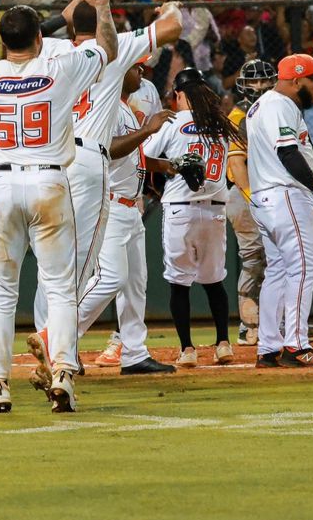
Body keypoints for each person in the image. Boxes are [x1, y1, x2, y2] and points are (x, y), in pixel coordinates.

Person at [0, 0, 116, 413]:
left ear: (3, 41)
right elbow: (107, 51)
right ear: (40, 39)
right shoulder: (59, 68)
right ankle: (62, 373)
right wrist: (100, 5)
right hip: (48, 181)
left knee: (1, 293)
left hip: (2, 184)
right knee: (61, 289)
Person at [28, 0, 181, 358]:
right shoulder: (111, 53)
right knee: (91, 270)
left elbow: (34, 34)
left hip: (49, 162)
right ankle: (56, 339)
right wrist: (167, 6)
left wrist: (77, 8)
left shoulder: (51, 51)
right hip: (91, 171)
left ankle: (126, 351)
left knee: (58, 262)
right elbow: (173, 25)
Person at [141, 67, 242, 368]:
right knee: (214, 281)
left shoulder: (174, 121)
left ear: (179, 94)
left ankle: (187, 349)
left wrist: (170, 165)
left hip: (180, 207)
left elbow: (141, 157)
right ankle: (223, 344)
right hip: (214, 209)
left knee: (179, 283)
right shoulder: (220, 124)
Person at [244, 54, 313, 368]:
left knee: (278, 273)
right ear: (296, 80)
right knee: (303, 269)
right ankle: (297, 346)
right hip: (284, 196)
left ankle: (268, 349)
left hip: (267, 198)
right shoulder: (279, 104)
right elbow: (288, 154)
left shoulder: (262, 106)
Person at [80, 65, 171, 373]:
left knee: (135, 284)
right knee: (111, 278)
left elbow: (132, 157)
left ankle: (134, 353)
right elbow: (106, 151)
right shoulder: (107, 108)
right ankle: (57, 336)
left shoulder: (125, 108)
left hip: (131, 206)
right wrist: (147, 130)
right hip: (110, 204)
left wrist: (167, 166)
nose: (142, 70)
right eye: (134, 66)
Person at [224, 58, 273, 346]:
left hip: (266, 192)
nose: (260, 86)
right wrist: (253, 199)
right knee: (254, 258)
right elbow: (237, 164)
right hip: (244, 194)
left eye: (265, 80)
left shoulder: (273, 110)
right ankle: (248, 325)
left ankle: (276, 321)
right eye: (254, 81)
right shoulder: (239, 115)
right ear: (244, 85)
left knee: (275, 260)